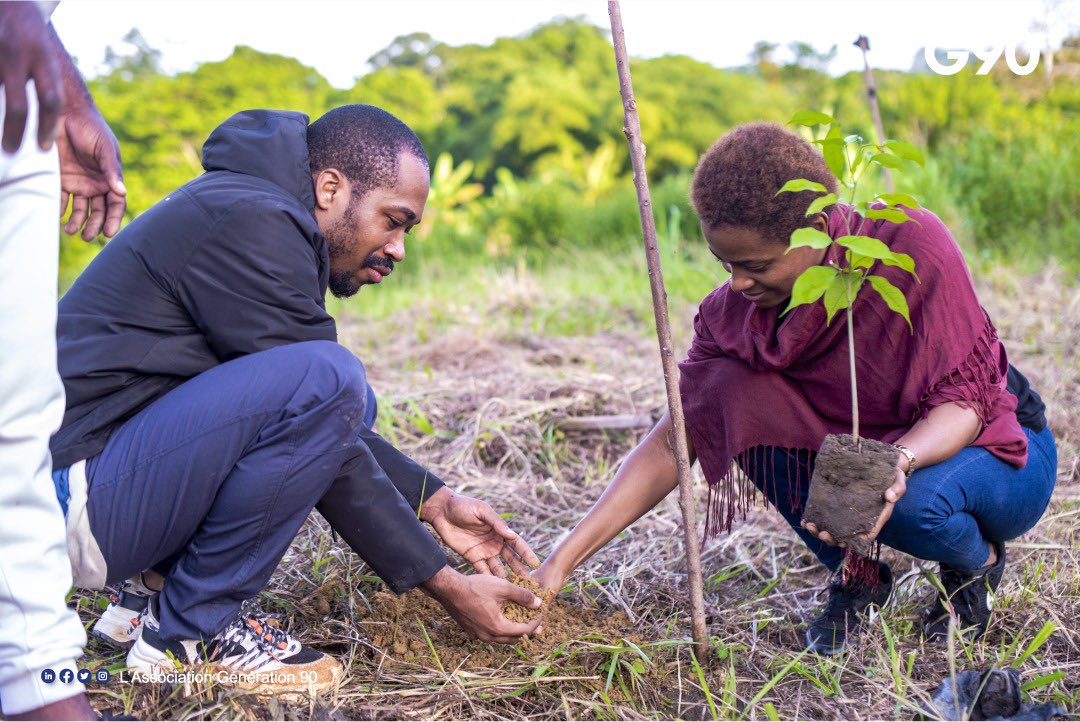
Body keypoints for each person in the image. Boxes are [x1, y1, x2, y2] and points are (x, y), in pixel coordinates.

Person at [50, 104, 545, 695]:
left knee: (347, 400)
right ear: (330, 188)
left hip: (90, 483)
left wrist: (433, 500)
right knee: (331, 381)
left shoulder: (248, 206)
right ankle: (190, 636)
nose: (398, 249)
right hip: (69, 501)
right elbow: (318, 399)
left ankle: (146, 600)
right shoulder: (254, 221)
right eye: (393, 221)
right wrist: (446, 583)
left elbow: (331, 425)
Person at [534, 122, 1055, 656]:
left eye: (756, 265)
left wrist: (894, 462)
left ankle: (977, 564)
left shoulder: (909, 246)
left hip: (997, 451)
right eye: (725, 264)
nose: (738, 283)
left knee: (909, 505)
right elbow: (674, 441)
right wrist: (557, 563)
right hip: (879, 460)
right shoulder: (733, 317)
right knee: (727, 391)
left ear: (819, 230)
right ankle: (858, 576)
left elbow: (963, 405)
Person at [0, 1, 125, 718]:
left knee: (19, 410)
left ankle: (38, 680)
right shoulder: (256, 228)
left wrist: (64, 84)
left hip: (20, 84)